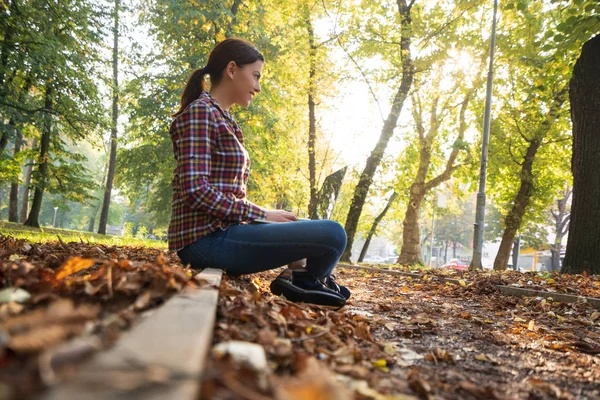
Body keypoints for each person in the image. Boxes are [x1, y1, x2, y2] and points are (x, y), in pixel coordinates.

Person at [168, 38, 350, 308]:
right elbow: (195, 191)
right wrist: (262, 215)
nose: (258, 87)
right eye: (255, 76)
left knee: (311, 227)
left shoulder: (223, 118)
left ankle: (302, 276)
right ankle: (305, 279)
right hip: (204, 242)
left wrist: (266, 219)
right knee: (333, 234)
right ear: (232, 70)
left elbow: (225, 195)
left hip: (225, 232)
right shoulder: (201, 113)